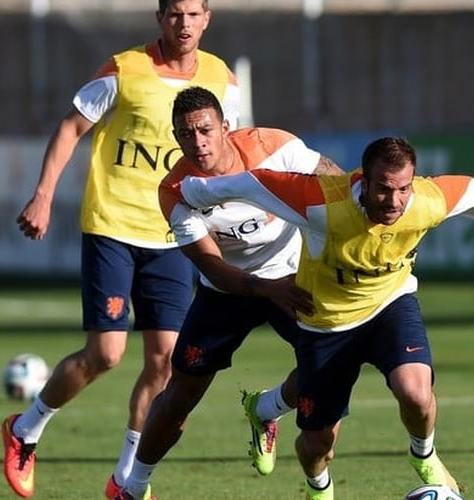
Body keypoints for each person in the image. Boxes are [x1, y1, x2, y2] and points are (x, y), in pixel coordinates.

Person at [177, 136, 474, 499]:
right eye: (383, 190)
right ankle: (313, 481)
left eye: (403, 189)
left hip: (389, 304)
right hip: (327, 324)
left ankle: (424, 455)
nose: (394, 201)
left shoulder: (426, 201)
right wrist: (191, 190)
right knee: (317, 446)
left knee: (416, 392)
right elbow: (253, 183)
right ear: (363, 182)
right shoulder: (321, 202)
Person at [4, 1, 239, 498]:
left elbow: (225, 155)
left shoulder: (221, 78)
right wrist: (43, 195)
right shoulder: (123, 69)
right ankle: (26, 429)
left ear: (207, 18)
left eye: (194, 13)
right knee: (107, 353)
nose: (185, 23)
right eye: (175, 13)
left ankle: (128, 477)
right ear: (160, 18)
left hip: (174, 233)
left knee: (165, 361)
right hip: (112, 226)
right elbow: (71, 126)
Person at [114, 86, 345, 500]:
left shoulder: (275, 148)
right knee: (180, 394)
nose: (198, 142)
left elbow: (337, 185)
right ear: (176, 136)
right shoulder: (176, 190)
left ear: (225, 127)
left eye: (205, 130)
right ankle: (133, 487)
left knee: (330, 377)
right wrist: (265, 289)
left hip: (293, 277)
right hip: (226, 291)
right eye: (186, 134)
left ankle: (271, 418)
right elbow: (211, 265)